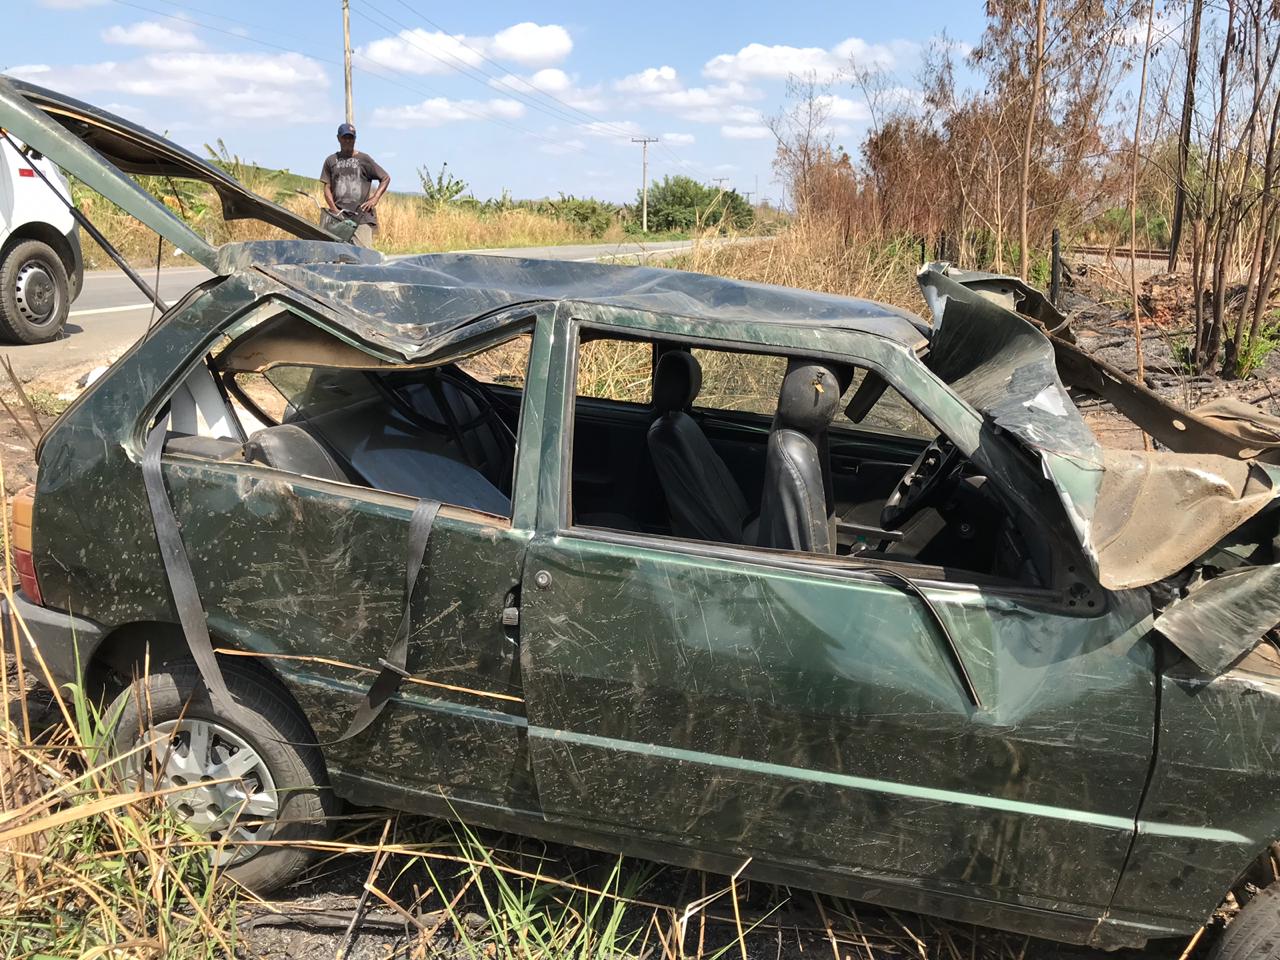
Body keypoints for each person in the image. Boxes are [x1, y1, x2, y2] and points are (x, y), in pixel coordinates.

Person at [320, 123, 390, 249]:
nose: (348, 141)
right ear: (338, 138)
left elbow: (385, 178)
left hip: (361, 217)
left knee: (364, 256)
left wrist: (375, 198)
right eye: (345, 137)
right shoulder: (331, 161)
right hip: (339, 218)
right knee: (338, 255)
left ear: (355, 139)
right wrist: (334, 210)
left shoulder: (364, 159)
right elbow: (327, 188)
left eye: (351, 138)